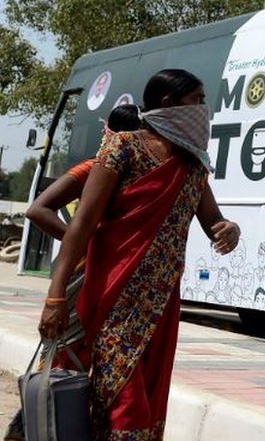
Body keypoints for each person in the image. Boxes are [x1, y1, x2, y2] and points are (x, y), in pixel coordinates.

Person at [37, 69, 240, 439]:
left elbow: (213, 221)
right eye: (197, 100)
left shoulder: (193, 165)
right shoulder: (122, 148)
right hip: (113, 294)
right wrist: (55, 295)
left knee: (145, 390)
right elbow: (81, 226)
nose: (204, 108)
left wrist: (229, 230)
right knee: (120, 393)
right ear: (169, 104)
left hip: (160, 302)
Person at [4, 105, 141, 441]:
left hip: (113, 278)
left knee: (87, 364)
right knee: (65, 360)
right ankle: (29, 430)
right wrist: (83, 243)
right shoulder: (96, 169)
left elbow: (38, 210)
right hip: (84, 277)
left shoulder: (127, 172)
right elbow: (38, 210)